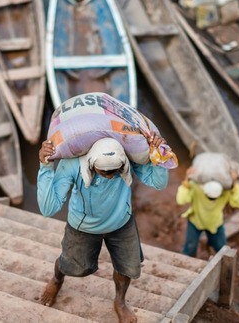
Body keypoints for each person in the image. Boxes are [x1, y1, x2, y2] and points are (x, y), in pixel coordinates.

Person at [37, 135, 169, 323]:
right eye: (104, 171)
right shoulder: (72, 164)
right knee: (72, 265)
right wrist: (45, 167)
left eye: (115, 171)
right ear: (90, 164)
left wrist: (159, 155)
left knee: (127, 267)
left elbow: (159, 183)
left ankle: (120, 302)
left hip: (121, 221)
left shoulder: (129, 160)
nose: (110, 176)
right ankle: (57, 279)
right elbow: (48, 207)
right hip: (83, 225)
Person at [177, 166, 239, 257]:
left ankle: (209, 248)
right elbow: (181, 200)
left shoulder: (197, 188)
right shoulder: (223, 192)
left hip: (213, 224)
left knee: (221, 249)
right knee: (189, 249)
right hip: (196, 222)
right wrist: (234, 184)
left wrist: (186, 180)